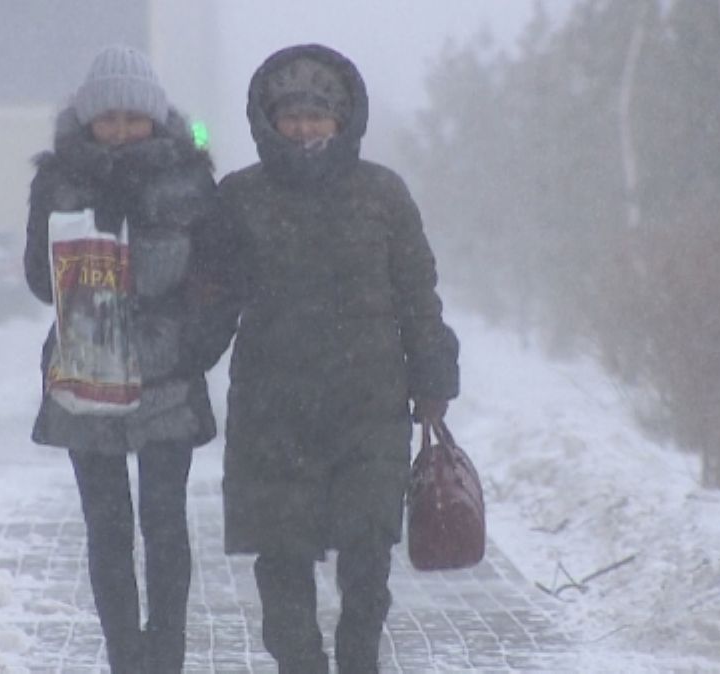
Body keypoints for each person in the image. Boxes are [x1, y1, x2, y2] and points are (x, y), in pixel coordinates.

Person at [193, 43, 460, 673]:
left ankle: (359, 660)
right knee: (282, 562)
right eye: (293, 115)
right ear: (270, 120)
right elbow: (213, 299)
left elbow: (417, 293)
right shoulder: (241, 198)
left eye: (319, 114)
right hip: (272, 413)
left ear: (343, 120)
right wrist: (176, 364)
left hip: (368, 409)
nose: (306, 127)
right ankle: (301, 664)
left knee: (367, 559)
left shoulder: (382, 195)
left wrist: (433, 378)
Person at [23, 45, 219, 674]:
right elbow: (36, 278)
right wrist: (77, 244)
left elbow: (216, 277)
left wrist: (192, 348)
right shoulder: (58, 181)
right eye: (108, 118)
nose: (121, 129)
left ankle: (166, 656)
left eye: (134, 117)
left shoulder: (191, 180)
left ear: (156, 118)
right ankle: (125, 659)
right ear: (88, 120)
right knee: (107, 531)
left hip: (165, 375)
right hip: (87, 374)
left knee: (164, 526)